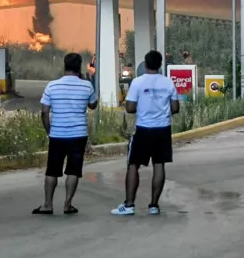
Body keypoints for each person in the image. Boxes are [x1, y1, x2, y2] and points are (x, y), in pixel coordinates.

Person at [112, 50, 179, 216]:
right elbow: (176, 108)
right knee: (159, 165)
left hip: (143, 129)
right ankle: (154, 205)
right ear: (160, 64)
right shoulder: (168, 83)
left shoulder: (137, 82)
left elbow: (129, 108)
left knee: (133, 165)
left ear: (145, 64)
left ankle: (129, 205)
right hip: (163, 129)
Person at [33, 52, 98, 216]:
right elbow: (93, 105)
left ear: (64, 65)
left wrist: (50, 131)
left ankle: (47, 205)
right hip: (78, 134)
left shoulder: (52, 86)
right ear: (79, 67)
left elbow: (44, 112)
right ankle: (68, 204)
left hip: (57, 134)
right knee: (74, 171)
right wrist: (89, 81)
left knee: (52, 170)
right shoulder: (86, 86)